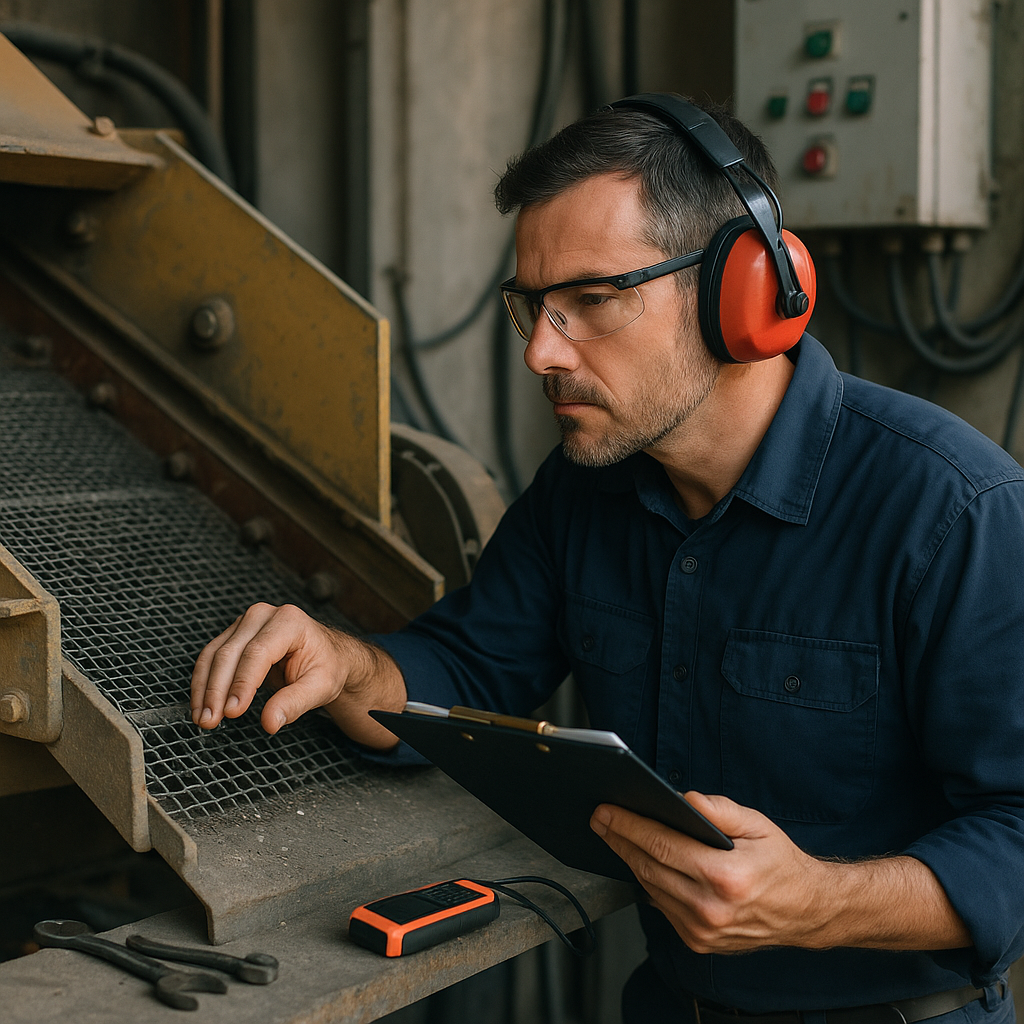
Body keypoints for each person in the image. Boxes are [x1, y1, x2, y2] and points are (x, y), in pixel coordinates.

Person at [190, 95, 1024, 1023]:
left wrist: (819, 904)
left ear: (741, 293)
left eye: (591, 300)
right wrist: (346, 665)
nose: (543, 352)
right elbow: (468, 669)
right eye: (532, 308)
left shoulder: (952, 510)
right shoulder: (585, 492)